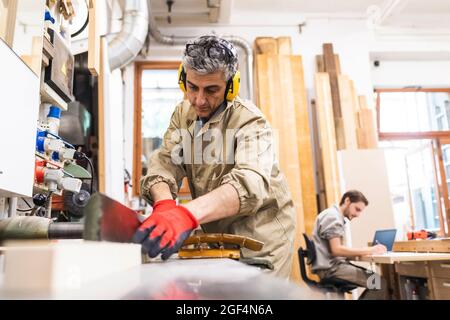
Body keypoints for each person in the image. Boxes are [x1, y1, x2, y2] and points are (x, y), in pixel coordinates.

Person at [132, 35, 296, 278]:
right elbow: (166, 161)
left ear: (231, 86)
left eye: (211, 90)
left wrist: (186, 214)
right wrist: (164, 204)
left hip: (261, 237)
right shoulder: (183, 114)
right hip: (218, 234)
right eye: (192, 87)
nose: (199, 100)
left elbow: (249, 183)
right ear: (182, 79)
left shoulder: (250, 121)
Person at [311, 190, 390, 299]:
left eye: (360, 212)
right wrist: (370, 250)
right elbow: (336, 250)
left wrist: (364, 251)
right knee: (379, 283)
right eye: (357, 209)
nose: (357, 215)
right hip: (332, 269)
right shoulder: (332, 217)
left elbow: (334, 251)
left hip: (332, 267)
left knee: (376, 280)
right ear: (347, 200)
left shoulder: (332, 215)